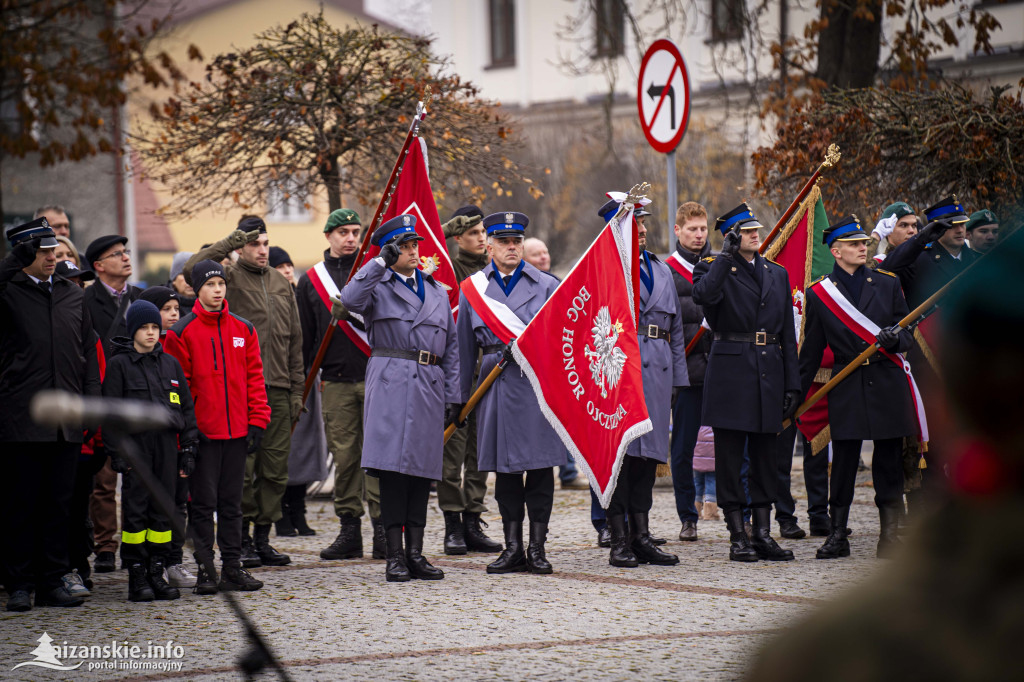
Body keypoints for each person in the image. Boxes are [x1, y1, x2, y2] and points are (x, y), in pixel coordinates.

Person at [340, 214, 460, 582]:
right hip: (391, 378)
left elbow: (452, 346)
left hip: (428, 382)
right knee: (392, 472)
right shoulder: (378, 284)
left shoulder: (437, 291)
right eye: (404, 247)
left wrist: (454, 394)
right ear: (391, 251)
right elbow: (349, 299)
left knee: (421, 473)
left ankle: (416, 554)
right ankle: (394, 555)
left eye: (414, 246)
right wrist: (378, 261)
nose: (412, 251)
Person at [798, 216, 920, 558]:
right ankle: (838, 534)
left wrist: (895, 339)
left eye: (864, 242)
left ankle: (890, 535)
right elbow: (810, 351)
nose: (862, 247)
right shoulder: (821, 293)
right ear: (836, 251)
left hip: (886, 379)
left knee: (888, 462)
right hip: (847, 383)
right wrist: (795, 394)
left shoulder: (887, 283)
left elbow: (907, 333)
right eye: (853, 244)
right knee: (846, 461)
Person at [185, 216, 303, 569]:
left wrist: (298, 392)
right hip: (240, 391)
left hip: (279, 390)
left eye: (266, 243)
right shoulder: (229, 278)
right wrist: (229, 242)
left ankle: (264, 537)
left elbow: (295, 342)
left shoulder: (282, 285)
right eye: (254, 244)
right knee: (245, 471)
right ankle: (244, 540)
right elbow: (195, 268)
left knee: (275, 470)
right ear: (240, 247)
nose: (262, 250)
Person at [457, 211, 563, 575]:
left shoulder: (547, 285)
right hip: (494, 384)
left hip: (535, 383)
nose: (512, 247)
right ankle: (513, 547)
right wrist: (459, 399)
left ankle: (537, 548)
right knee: (504, 471)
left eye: (517, 241)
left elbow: (561, 342)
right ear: (489, 245)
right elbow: (463, 349)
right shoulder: (473, 288)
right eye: (503, 241)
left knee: (538, 469)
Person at [2, 218, 100, 611]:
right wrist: (15, 256)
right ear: (25, 253)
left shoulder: (73, 296)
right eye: (42, 252)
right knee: (21, 504)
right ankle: (19, 583)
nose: (51, 258)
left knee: (59, 506)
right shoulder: (8, 292)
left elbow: (88, 353)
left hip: (67, 419)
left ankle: (52, 579)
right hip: (21, 419)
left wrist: (90, 402)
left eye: (54, 251)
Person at [692, 203, 799, 563]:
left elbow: (787, 331)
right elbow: (704, 297)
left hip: (769, 371)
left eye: (757, 229)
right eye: (747, 231)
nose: (756, 234)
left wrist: (792, 385)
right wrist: (724, 256)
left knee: (766, 459)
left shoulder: (776, 272)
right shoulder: (712, 267)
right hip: (731, 373)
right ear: (732, 236)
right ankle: (738, 534)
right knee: (730, 458)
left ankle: (764, 533)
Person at [164, 260, 271, 594]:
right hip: (204, 434)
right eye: (210, 285)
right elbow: (178, 389)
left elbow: (255, 377)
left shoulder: (244, 329)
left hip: (238, 431)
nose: (217, 290)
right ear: (198, 289)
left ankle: (233, 567)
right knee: (202, 503)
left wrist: (257, 420)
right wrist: (188, 432)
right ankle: (206, 569)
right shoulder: (181, 332)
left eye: (221, 284)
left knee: (232, 503)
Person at [604, 200, 688, 569]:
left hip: (657, 369)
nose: (641, 230)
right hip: (619, 369)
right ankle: (618, 539)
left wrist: (678, 378)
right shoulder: (605, 268)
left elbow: (679, 331)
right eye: (633, 224)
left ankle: (642, 536)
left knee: (648, 457)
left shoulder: (660, 269)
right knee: (620, 459)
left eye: (642, 224)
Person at [295, 208, 382, 559]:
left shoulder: (374, 273)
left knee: (377, 457)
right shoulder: (311, 281)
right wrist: (303, 381)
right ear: (328, 236)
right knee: (345, 459)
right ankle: (350, 529)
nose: (350, 238)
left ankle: (382, 529)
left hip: (375, 375)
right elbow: (305, 338)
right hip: (334, 381)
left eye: (355, 232)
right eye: (343, 232)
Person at [101, 300, 199, 601]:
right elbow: (110, 414)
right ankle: (137, 574)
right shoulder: (120, 365)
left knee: (162, 514)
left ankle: (157, 570)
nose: (151, 333)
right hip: (137, 452)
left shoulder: (169, 364)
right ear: (133, 331)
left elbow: (185, 408)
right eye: (144, 327)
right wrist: (117, 453)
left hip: (167, 449)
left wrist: (189, 448)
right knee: (135, 515)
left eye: (155, 327)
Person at [437, 205, 503, 554]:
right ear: (458, 237)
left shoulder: (496, 273)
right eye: (475, 233)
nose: (481, 239)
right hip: (456, 376)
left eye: (484, 233)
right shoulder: (447, 271)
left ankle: (472, 519)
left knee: (480, 455)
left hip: (488, 375)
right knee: (452, 453)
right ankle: (452, 523)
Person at [84, 233, 142, 574]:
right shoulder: (85, 302)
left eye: (126, 252)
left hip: (134, 397)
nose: (125, 258)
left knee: (137, 475)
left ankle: (137, 546)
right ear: (99, 266)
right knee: (103, 481)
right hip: (102, 397)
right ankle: (105, 545)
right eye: (117, 254)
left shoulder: (138, 298)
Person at [137, 286, 194, 588]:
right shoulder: (138, 354)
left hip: (175, 443)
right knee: (147, 507)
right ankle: (145, 565)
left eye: (176, 308)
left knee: (177, 505)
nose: (174, 314)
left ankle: (173, 561)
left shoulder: (175, 348)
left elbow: (185, 400)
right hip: (148, 447)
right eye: (167, 309)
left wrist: (188, 441)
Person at [665, 201, 713, 541]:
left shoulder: (721, 265)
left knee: (733, 448)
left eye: (703, 229)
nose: (699, 235)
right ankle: (688, 516)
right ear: (678, 231)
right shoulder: (666, 271)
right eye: (692, 229)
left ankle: (738, 515)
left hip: (722, 372)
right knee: (682, 449)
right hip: (686, 375)